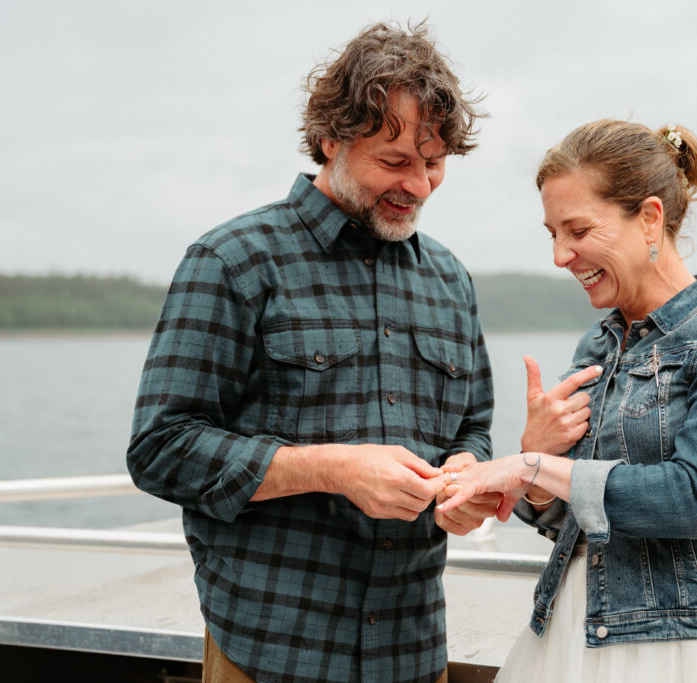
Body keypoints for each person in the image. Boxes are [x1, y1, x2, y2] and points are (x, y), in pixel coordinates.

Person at [127, 21, 557, 683]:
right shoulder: (232, 261)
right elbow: (161, 448)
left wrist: (466, 476)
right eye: (394, 160)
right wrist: (332, 468)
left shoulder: (450, 279)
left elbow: (469, 426)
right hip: (270, 651)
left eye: (434, 162)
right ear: (330, 137)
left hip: (413, 651)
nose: (418, 184)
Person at [439, 119, 697, 682]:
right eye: (552, 233)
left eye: (577, 230)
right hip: (568, 635)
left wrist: (532, 464)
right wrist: (533, 466)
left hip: (689, 647)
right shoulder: (597, 344)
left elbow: (693, 500)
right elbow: (570, 518)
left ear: (650, 217)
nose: (560, 256)